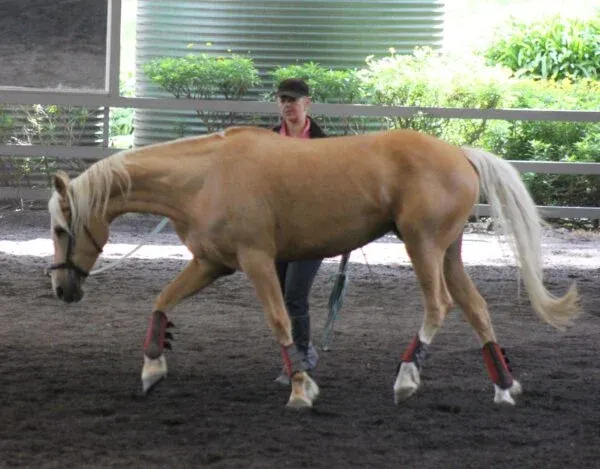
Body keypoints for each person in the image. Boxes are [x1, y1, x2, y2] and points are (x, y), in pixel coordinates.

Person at [272, 78, 326, 385]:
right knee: (281, 297)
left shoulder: (324, 144)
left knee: (294, 295)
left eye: (293, 100)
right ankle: (298, 353)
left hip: (312, 231)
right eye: (283, 99)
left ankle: (302, 354)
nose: (288, 105)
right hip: (277, 233)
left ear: (307, 103)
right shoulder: (266, 141)